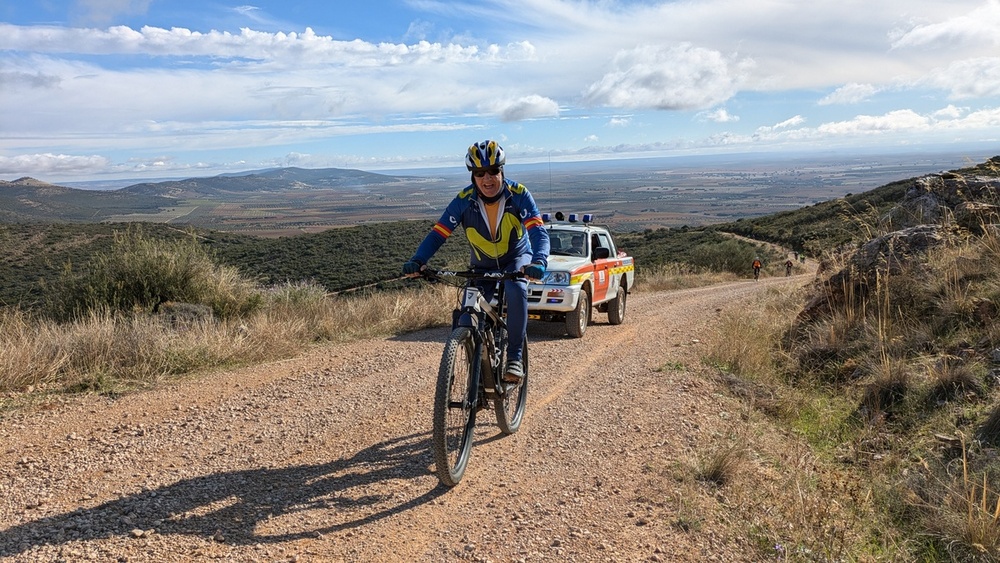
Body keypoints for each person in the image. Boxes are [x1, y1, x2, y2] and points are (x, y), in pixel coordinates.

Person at [403, 140, 550, 383]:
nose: (487, 178)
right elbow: (438, 234)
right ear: (473, 176)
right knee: (466, 313)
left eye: (493, 171)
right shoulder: (464, 200)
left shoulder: (520, 195)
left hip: (516, 260)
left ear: (502, 171)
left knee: (516, 289)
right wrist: (418, 260)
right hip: (481, 266)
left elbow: (538, 233)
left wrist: (539, 261)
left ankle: (514, 356)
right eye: (480, 173)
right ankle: (467, 374)